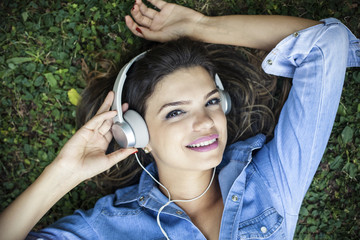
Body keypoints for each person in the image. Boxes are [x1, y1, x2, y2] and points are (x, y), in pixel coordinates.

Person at [0, 0, 359, 239]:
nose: (205, 122)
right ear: (136, 133)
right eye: (175, 111)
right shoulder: (105, 228)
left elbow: (325, 43)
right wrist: (65, 173)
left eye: (211, 102)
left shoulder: (270, 183)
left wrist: (202, 26)